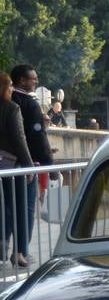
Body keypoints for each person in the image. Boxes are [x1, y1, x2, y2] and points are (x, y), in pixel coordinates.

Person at [10, 66, 51, 257]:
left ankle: (3, 250)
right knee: (26, 209)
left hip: (5, 164)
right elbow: (37, 138)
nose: (36, 81)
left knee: (9, 208)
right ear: (21, 80)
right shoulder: (30, 104)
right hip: (26, 164)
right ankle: (21, 252)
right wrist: (49, 165)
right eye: (33, 79)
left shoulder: (7, 102)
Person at [0, 74, 35, 267]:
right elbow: (20, 141)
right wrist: (29, 166)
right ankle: (19, 252)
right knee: (19, 209)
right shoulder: (12, 108)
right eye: (10, 86)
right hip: (11, 166)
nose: (12, 89)